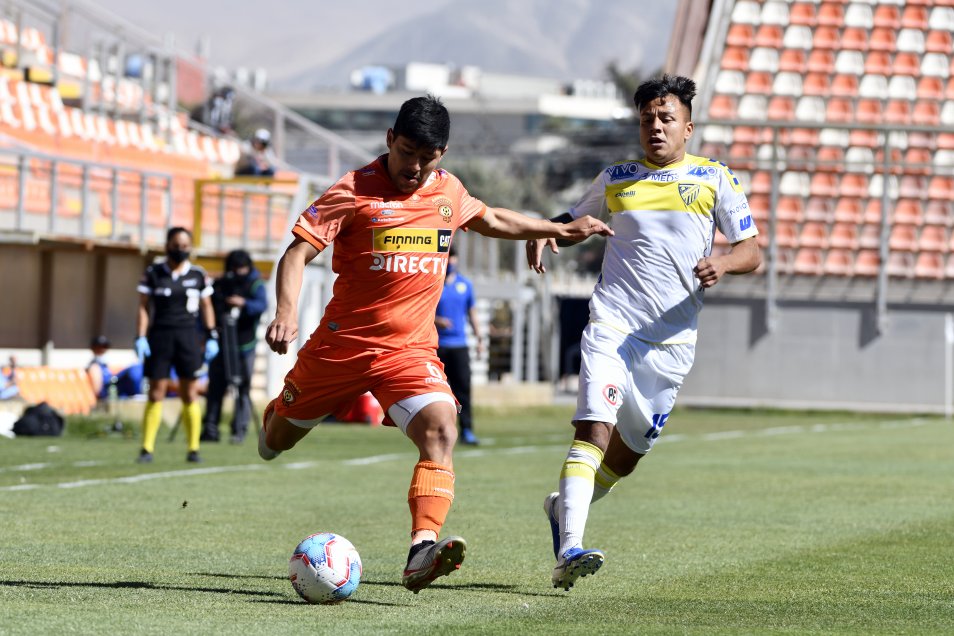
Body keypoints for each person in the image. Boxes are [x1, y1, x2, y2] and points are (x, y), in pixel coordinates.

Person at [260, 95, 612, 594]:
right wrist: (287, 312)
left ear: (442, 154)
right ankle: (279, 412)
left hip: (409, 353)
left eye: (428, 157)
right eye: (407, 152)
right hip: (341, 348)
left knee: (442, 429)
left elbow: (492, 219)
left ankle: (421, 550)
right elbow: (297, 253)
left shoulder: (447, 191)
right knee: (274, 444)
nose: (415, 166)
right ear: (389, 140)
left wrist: (554, 227)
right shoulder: (353, 190)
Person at [526, 75, 762, 591]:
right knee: (593, 428)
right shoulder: (617, 178)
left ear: (687, 127)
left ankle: (560, 508)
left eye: (665, 118)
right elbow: (570, 219)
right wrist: (544, 233)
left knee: (626, 458)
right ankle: (569, 548)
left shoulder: (714, 179)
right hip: (613, 324)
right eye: (646, 119)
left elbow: (752, 249)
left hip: (672, 342)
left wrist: (723, 263)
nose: (654, 127)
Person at [135, 227, 219, 463]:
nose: (180, 250)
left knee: (189, 393)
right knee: (156, 391)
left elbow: (207, 306)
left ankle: (193, 449)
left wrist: (211, 335)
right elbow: (143, 306)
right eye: (176, 245)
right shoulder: (153, 273)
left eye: (185, 246)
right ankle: (147, 448)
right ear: (167, 245)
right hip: (160, 336)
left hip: (188, 337)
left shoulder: (198, 274)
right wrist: (140, 336)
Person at [201, 249, 268, 444]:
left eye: (241, 269)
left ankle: (239, 428)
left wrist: (243, 303)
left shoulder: (255, 284)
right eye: (234, 268)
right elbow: (209, 308)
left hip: (244, 345)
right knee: (215, 387)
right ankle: (210, 428)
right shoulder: (221, 284)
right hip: (221, 343)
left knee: (242, 388)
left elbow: (261, 305)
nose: (237, 273)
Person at [434, 246, 482, 445]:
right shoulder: (433, 283)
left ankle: (467, 430)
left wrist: (479, 338)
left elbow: (472, 312)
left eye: (452, 257)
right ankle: (438, 429)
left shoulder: (465, 285)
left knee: (462, 391)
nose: (450, 261)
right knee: (438, 392)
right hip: (437, 346)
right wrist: (437, 320)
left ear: (457, 259)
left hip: (459, 346)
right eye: (447, 257)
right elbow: (423, 311)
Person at [86, 335, 115, 400]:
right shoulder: (94, 366)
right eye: (98, 347)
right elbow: (97, 389)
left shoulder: (105, 365)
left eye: (105, 346)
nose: (102, 349)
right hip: (101, 399)